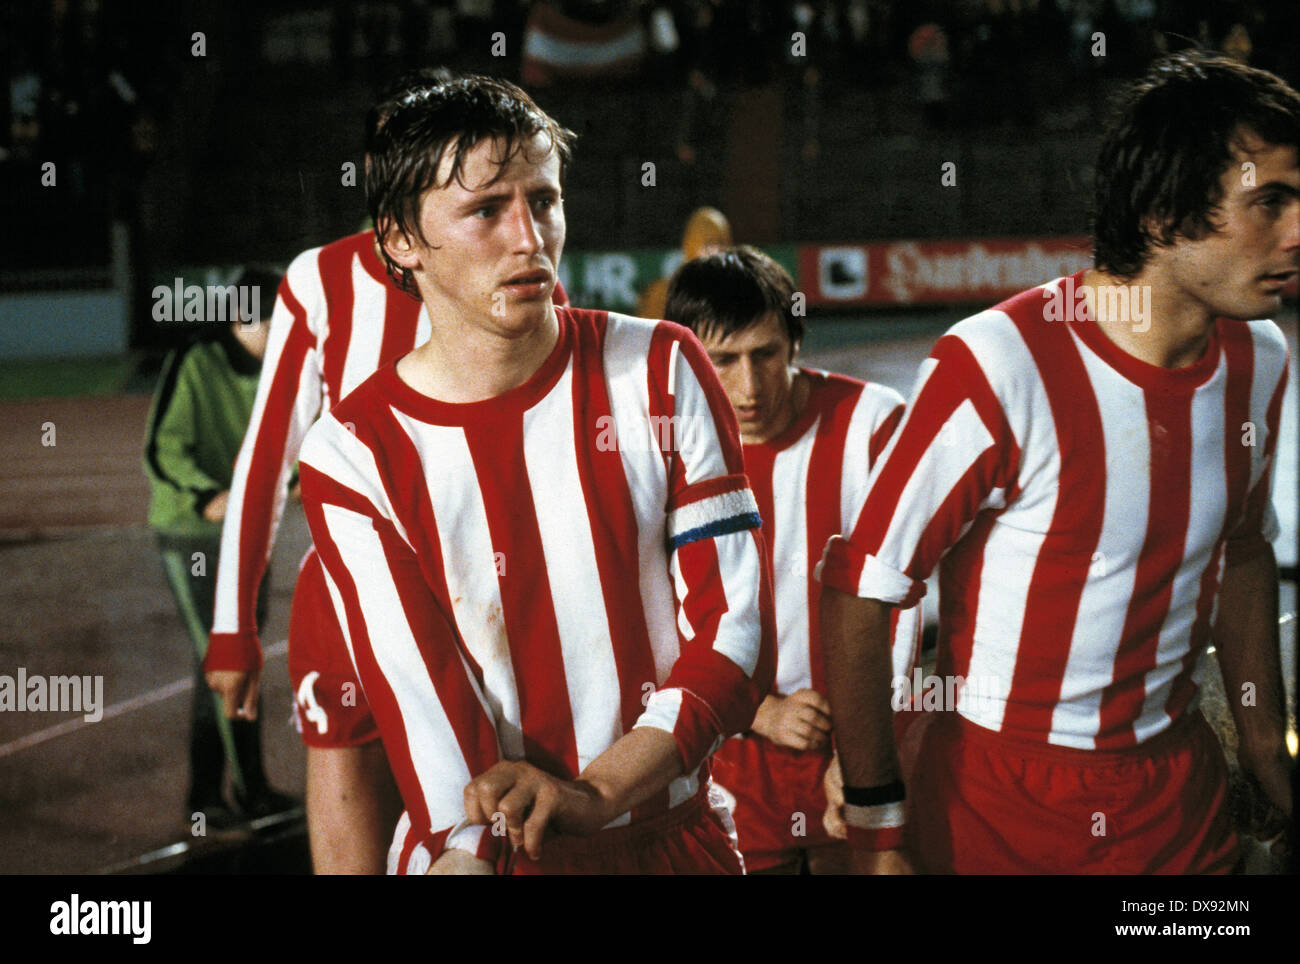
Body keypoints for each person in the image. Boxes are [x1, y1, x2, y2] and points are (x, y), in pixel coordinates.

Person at [820, 50, 1297, 874]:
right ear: (1162, 214)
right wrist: (875, 821)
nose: (1297, 232)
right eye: (1271, 203)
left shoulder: (1259, 358)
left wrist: (1267, 759)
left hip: (1177, 804)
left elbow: (1245, 549)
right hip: (999, 806)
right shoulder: (998, 364)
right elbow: (864, 590)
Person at [297, 73, 775, 875]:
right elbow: (425, 698)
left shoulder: (658, 368)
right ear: (401, 238)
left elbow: (734, 632)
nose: (530, 238)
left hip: (667, 841)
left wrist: (598, 793)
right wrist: (468, 850)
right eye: (487, 210)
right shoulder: (352, 451)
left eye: (544, 201)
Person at [204, 69, 448, 874]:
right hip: (349, 599)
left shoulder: (514, 271)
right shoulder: (320, 279)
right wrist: (236, 627)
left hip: (482, 595)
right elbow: (265, 457)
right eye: (391, 151)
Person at [663, 245, 920, 874]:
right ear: (690, 362)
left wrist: (867, 750)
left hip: (856, 753)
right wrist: (753, 708)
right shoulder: (660, 450)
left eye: (765, 354)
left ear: (796, 343)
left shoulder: (875, 425)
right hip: (725, 766)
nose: (749, 385)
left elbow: (911, 597)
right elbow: (649, 604)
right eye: (723, 361)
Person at [143, 265, 297, 828]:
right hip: (194, 534)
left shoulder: (282, 364)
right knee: (225, 661)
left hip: (250, 532)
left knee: (235, 657)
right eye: (272, 324)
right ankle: (249, 793)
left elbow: (295, 441)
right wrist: (209, 494)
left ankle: (206, 798)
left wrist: (293, 483)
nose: (283, 335)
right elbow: (163, 448)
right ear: (240, 319)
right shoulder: (195, 360)